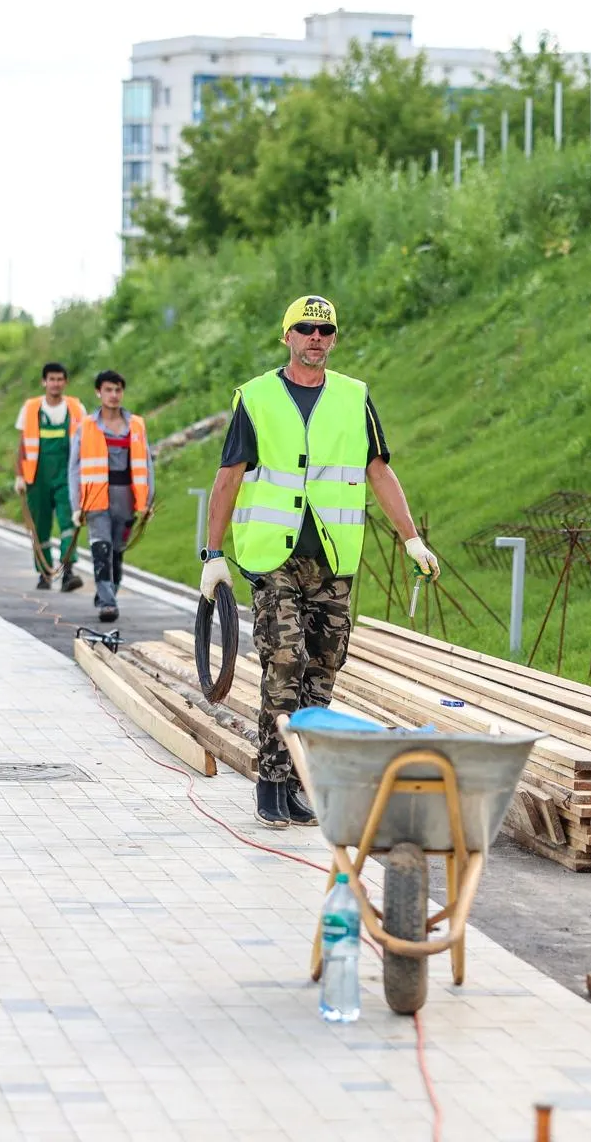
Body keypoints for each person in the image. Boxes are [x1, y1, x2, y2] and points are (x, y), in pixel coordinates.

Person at [199, 295, 439, 828]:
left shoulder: (354, 397)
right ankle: (270, 781)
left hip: (332, 559)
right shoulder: (257, 398)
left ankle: (295, 781)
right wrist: (212, 554)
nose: (316, 337)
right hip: (274, 558)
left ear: (333, 339)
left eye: (325, 330)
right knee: (284, 659)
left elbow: (378, 470)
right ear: (287, 336)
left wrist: (411, 539)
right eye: (306, 328)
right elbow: (229, 477)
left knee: (323, 669)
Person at [70, 370, 153, 624]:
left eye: (118, 390)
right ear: (99, 392)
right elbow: (74, 468)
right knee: (101, 548)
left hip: (125, 499)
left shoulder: (136, 425)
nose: (114, 395)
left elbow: (147, 464)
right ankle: (107, 603)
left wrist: (147, 501)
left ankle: (108, 592)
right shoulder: (86, 426)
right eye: (108, 390)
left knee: (116, 552)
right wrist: (76, 505)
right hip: (95, 499)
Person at [13, 362, 87, 591]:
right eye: (51, 379)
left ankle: (68, 572)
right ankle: (44, 573)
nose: (55, 383)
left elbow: (85, 443)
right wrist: (19, 475)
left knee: (69, 522)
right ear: (44, 382)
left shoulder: (76, 408)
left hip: (67, 477)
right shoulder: (30, 408)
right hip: (37, 478)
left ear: (65, 382)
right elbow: (22, 445)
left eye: (59, 379)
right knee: (40, 526)